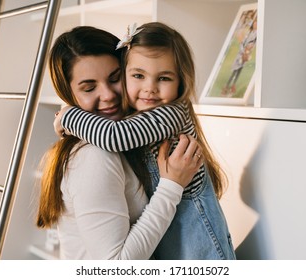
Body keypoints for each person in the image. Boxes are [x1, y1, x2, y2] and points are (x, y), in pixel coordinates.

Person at [54, 22, 236, 260]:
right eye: (138, 75)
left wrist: (68, 116)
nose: (149, 89)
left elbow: (113, 136)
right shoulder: (94, 154)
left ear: (181, 81)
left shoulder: (169, 114)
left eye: (164, 78)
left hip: (198, 247)